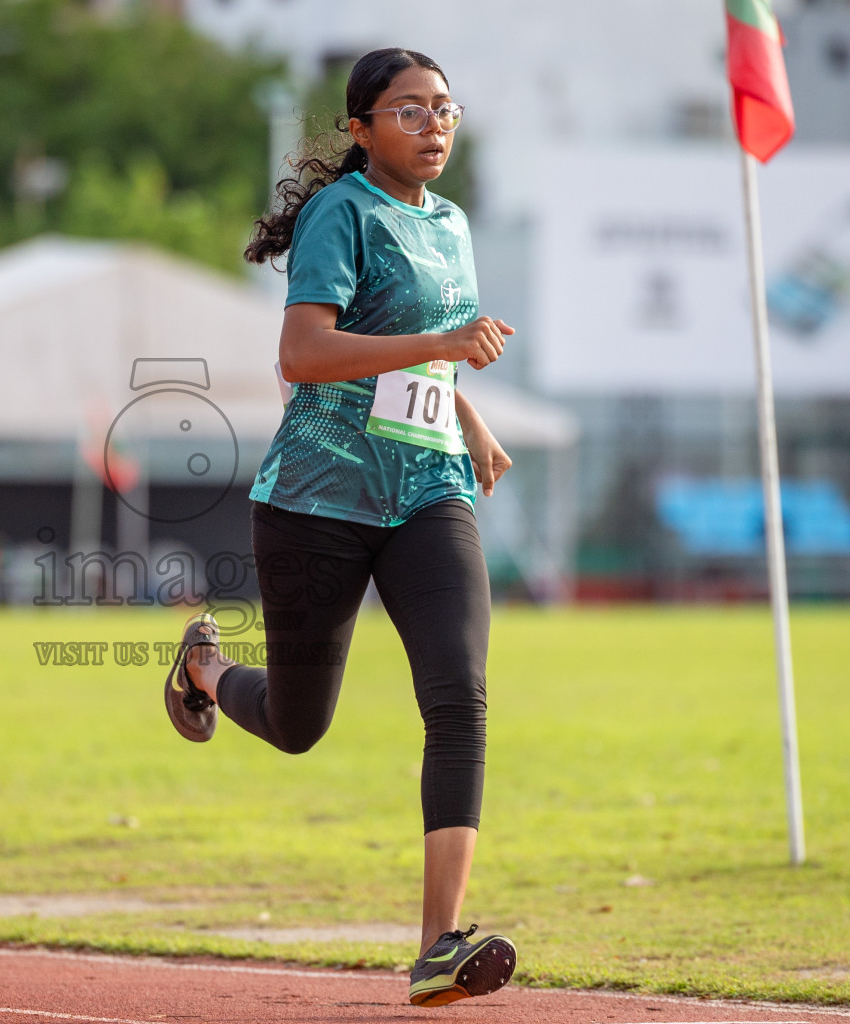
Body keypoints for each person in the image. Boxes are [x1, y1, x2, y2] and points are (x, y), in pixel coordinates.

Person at [162, 49, 518, 1008]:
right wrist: (445, 346)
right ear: (362, 128)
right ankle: (202, 670)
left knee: (461, 693)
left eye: (445, 108)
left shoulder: (452, 222)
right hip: (317, 498)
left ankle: (440, 944)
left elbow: (433, 346)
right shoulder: (342, 213)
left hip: (427, 489)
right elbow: (305, 350)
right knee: (298, 724)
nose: (434, 125)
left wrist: (471, 422)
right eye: (410, 111)